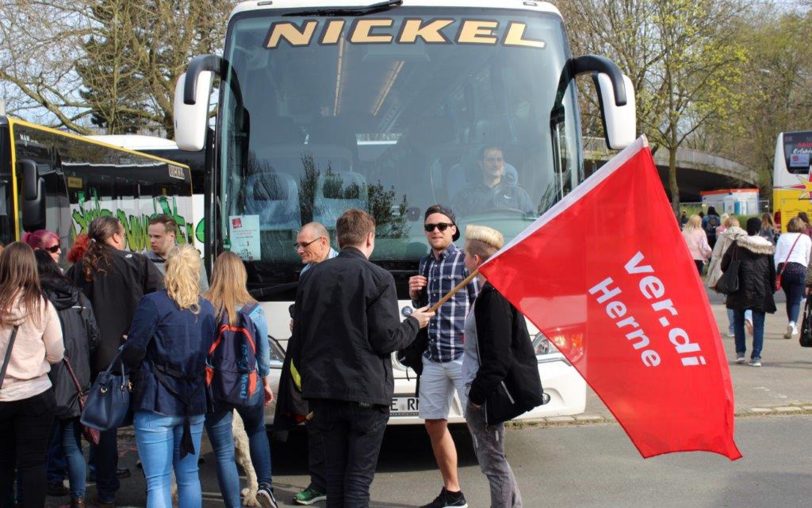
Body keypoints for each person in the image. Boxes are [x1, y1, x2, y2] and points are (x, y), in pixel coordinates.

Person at [291, 209, 433, 507]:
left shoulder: (311, 277)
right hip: (365, 393)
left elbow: (300, 339)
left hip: (323, 393)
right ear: (370, 238)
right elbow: (387, 340)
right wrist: (414, 323)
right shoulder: (379, 278)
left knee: (335, 480)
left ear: (339, 239)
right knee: (357, 483)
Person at [67, 216, 163, 507]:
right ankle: (154, 486)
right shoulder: (138, 263)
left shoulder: (80, 269)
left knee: (105, 424)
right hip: (137, 351)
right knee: (147, 421)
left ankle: (107, 489)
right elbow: (160, 301)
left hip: (99, 357)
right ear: (118, 237)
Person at [121, 245, 215, 508]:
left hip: (156, 401)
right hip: (192, 402)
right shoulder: (207, 309)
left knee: (158, 481)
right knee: (189, 477)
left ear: (168, 269)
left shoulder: (153, 303)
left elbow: (134, 350)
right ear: (197, 272)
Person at [461, 225, 545, 508]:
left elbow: (497, 358)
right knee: (496, 461)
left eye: (465, 256)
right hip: (481, 391)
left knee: (493, 465)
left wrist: (475, 397)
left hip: (484, 396)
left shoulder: (493, 295)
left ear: (476, 260)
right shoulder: (489, 292)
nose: (463, 261)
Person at [407, 204, 478, 508]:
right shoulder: (425, 263)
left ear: (454, 229)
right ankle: (453, 492)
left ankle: (504, 495)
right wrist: (414, 294)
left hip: (463, 357)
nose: (435, 230)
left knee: (481, 428)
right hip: (433, 357)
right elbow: (425, 310)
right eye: (429, 226)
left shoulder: (466, 261)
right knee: (434, 423)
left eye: (441, 225)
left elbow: (481, 305)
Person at [204, 251, 278, 508]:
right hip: (250, 382)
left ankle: (232, 505)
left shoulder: (205, 306)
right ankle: (265, 487)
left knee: (224, 451)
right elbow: (263, 353)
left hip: (216, 385)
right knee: (257, 430)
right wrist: (266, 381)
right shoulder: (253, 308)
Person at [0, 242, 65, 508]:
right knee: (34, 463)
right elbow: (57, 352)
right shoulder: (41, 306)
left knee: (3, 464)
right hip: (36, 393)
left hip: (3, 396)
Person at [35, 250, 98, 508]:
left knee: (36, 448)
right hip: (76, 381)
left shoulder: (37, 301)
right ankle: (79, 498)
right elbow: (94, 336)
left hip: (45, 382)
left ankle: (33, 495)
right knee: (73, 446)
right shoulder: (78, 296)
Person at [284, 222, 336, 506]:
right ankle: (319, 483)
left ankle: (337, 485)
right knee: (314, 423)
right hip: (313, 360)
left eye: (305, 245)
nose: (300, 251)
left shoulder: (343, 268)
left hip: (338, 362)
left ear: (324, 242)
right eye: (298, 245)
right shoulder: (307, 271)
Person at [722, 217, 777, 367]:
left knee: (738, 321)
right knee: (759, 324)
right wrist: (771, 289)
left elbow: (724, 264)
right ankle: (756, 356)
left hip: (740, 288)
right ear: (760, 229)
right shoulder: (767, 246)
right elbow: (772, 271)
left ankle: (740, 353)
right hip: (761, 289)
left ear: (747, 228)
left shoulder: (738, 244)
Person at [452, 146, 534, 216]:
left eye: (499, 160)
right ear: (481, 164)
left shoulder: (519, 195)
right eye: (490, 160)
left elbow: (532, 226)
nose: (496, 164)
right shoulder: (465, 196)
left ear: (504, 163)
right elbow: (457, 225)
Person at [707, 217, 748, 337]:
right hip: (742, 269)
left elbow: (715, 255)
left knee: (730, 300)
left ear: (726, 225)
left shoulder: (723, 236)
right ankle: (746, 319)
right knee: (743, 297)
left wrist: (710, 272)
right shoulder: (745, 236)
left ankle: (732, 328)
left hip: (726, 271)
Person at [147, 214, 208, 290]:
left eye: (157, 236)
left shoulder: (191, 258)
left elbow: (203, 292)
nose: (152, 240)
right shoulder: (144, 261)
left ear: (171, 236)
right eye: (150, 236)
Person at [774, 217, 812, 339]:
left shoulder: (783, 237)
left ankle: (792, 323)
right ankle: (793, 324)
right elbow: (808, 257)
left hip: (784, 270)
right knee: (796, 300)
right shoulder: (806, 238)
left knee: (789, 298)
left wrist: (777, 272)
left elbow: (777, 256)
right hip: (800, 269)